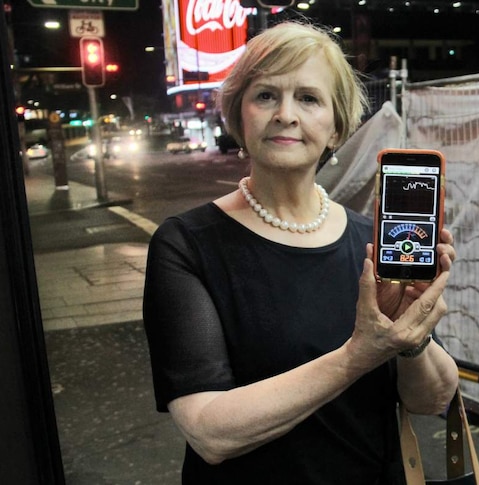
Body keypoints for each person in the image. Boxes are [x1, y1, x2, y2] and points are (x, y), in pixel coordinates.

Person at [143, 20, 459, 484]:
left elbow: (432, 401)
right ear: (239, 116)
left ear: (335, 128)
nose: (286, 114)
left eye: (309, 98)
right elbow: (209, 432)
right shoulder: (187, 244)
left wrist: (412, 340)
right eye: (266, 95)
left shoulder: (368, 244)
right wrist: (358, 355)